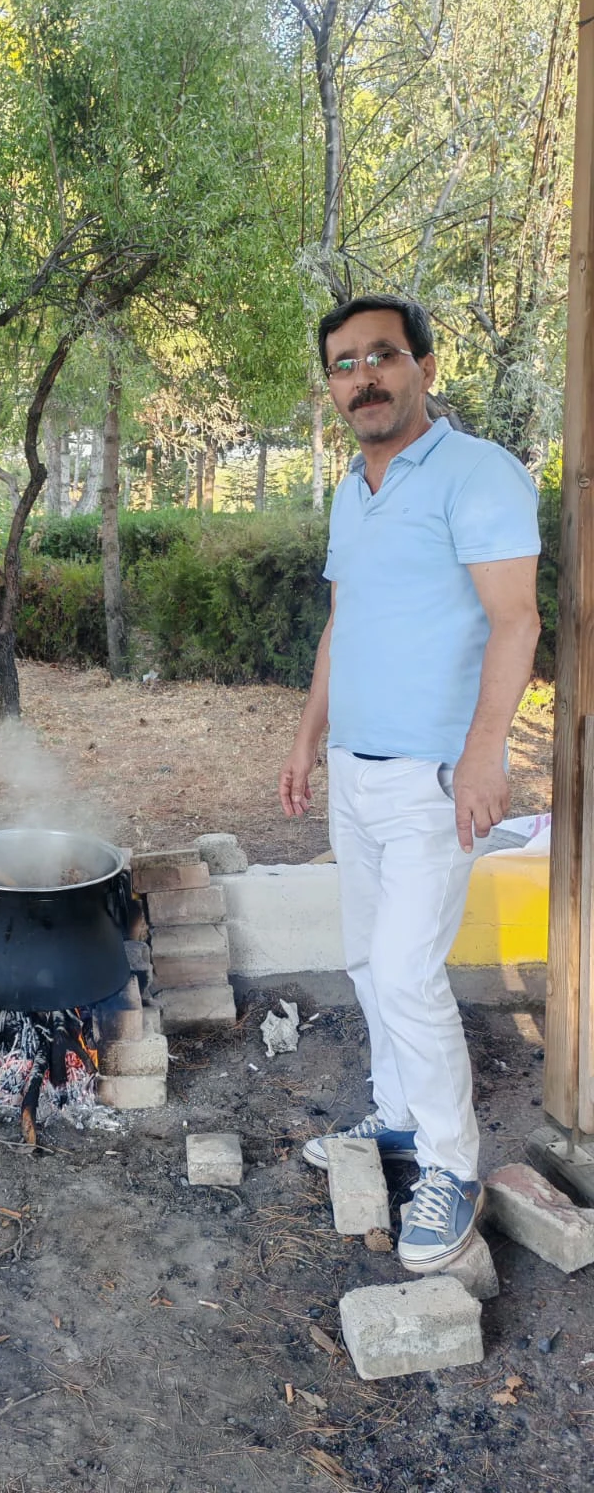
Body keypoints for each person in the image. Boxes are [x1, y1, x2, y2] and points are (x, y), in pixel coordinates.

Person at [279, 294, 540, 1272]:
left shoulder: (479, 473)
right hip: (355, 767)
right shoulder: (353, 490)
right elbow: (343, 622)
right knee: (364, 958)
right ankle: (395, 1116)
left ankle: (451, 1165)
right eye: (344, 364)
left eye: (382, 355)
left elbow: (515, 620)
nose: (363, 377)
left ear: (425, 366)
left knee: (404, 969)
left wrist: (485, 752)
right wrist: (308, 738)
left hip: (435, 775)